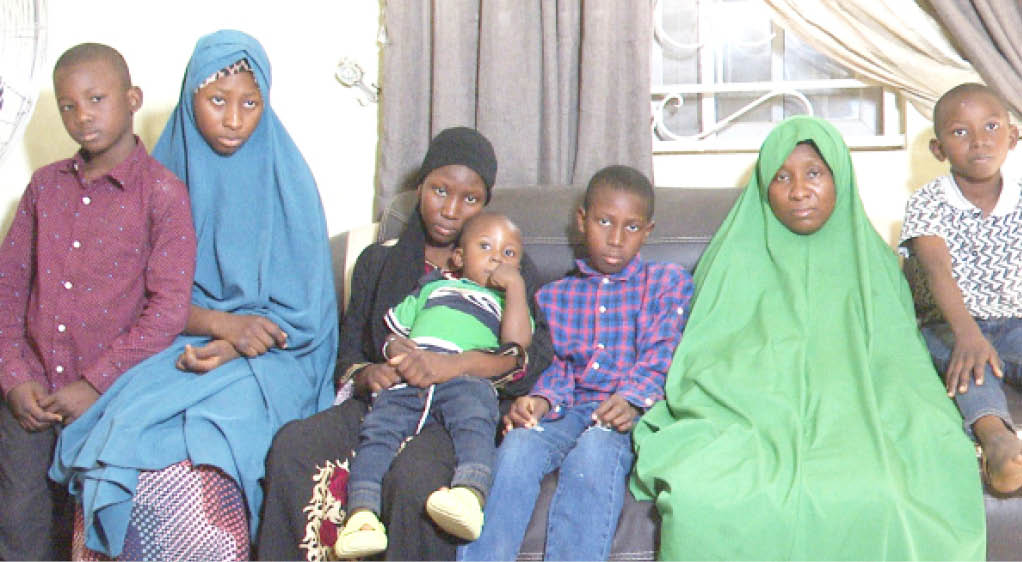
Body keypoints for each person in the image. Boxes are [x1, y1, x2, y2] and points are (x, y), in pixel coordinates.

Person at [629, 115, 986, 560]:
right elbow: (704, 361)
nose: (799, 190)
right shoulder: (730, 258)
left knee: (890, 488)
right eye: (782, 177)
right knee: (706, 494)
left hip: (857, 415)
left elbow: (899, 362)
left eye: (814, 173)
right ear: (763, 186)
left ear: (840, 177)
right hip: (750, 416)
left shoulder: (871, 261)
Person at [48, 30, 338, 560]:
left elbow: (309, 312)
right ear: (190, 100)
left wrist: (239, 345)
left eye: (250, 103)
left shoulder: (289, 179)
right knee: (123, 430)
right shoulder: (156, 182)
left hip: (277, 356)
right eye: (217, 102)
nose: (233, 119)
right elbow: (136, 297)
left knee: (216, 444)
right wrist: (219, 328)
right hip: (174, 340)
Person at [256, 126, 554, 561]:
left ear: (484, 204)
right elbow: (351, 349)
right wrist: (368, 375)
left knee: (417, 480)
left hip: (459, 409)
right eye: (439, 190)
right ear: (420, 188)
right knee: (294, 446)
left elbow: (532, 354)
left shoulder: (502, 264)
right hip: (388, 399)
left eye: (469, 199)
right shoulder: (379, 260)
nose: (451, 209)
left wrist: (456, 365)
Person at [0, 43, 196, 560]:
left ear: (132, 99)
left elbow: (167, 312)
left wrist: (94, 384)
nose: (82, 116)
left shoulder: (163, 195)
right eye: (68, 106)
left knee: (91, 528)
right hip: (33, 394)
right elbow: (7, 291)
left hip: (112, 397)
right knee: (18, 521)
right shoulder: (43, 189)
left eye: (96, 99)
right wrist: (15, 376)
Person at [460, 165, 695, 561]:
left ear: (648, 232)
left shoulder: (666, 282)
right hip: (568, 408)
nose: (616, 239)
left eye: (631, 227)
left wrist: (633, 398)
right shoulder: (554, 296)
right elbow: (555, 366)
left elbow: (664, 349)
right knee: (518, 444)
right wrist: (540, 401)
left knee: (593, 454)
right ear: (583, 220)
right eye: (604, 221)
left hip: (628, 414)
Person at [337, 212, 533, 558]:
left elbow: (517, 346)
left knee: (475, 422)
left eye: (509, 254)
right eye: (485, 247)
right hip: (410, 375)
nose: (496, 259)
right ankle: (362, 516)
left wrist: (515, 287)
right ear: (459, 257)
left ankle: (468, 497)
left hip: (465, 379)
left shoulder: (506, 303)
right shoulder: (433, 287)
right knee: (376, 433)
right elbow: (392, 332)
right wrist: (392, 349)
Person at [899, 83, 1022, 495]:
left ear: (1013, 136)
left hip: (1015, 320)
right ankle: (997, 440)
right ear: (939, 150)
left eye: (991, 126)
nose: (980, 140)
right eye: (960, 132)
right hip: (951, 323)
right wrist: (968, 333)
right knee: (970, 368)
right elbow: (937, 271)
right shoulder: (927, 202)